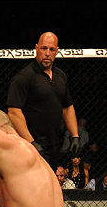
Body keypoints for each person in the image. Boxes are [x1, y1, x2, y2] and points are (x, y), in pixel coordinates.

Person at [6, 31, 79, 170]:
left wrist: (75, 135)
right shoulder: (24, 77)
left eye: (51, 49)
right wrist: (31, 143)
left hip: (53, 143)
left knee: (50, 186)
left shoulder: (60, 76)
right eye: (44, 48)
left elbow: (67, 107)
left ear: (56, 51)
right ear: (36, 48)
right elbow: (14, 112)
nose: (47, 53)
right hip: (29, 145)